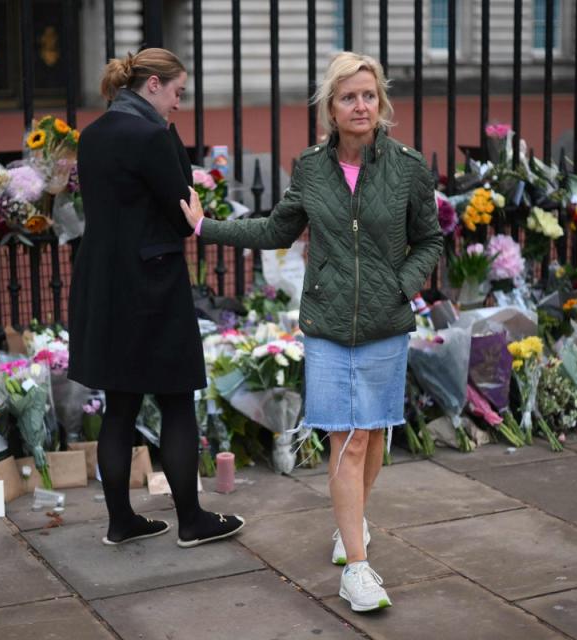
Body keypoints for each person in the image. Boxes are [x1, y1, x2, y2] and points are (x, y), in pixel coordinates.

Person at [181, 52, 442, 612]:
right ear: (330, 107)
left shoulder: (408, 167)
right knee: (346, 442)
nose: (361, 105)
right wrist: (206, 226)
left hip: (386, 321)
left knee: (371, 435)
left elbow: (430, 240)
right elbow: (276, 228)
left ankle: (353, 524)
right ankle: (358, 568)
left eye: (369, 95)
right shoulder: (311, 168)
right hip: (326, 325)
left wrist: (403, 285)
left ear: (382, 101)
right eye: (349, 96)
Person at [68, 48, 244, 548]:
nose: (178, 105)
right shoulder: (152, 135)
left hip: (103, 279)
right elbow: (183, 213)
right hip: (153, 279)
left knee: (119, 404)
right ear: (151, 85)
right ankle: (192, 520)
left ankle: (121, 521)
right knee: (176, 400)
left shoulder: (95, 132)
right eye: (177, 93)